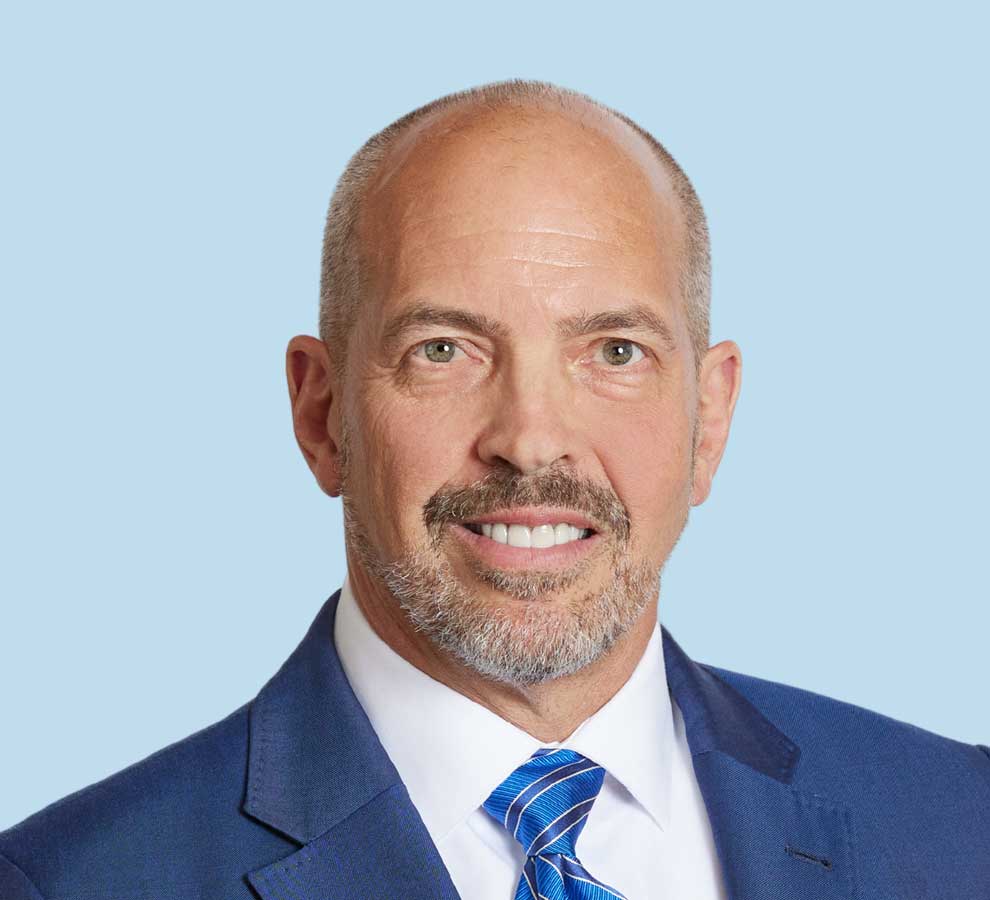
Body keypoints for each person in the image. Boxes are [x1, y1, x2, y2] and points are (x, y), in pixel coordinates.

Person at [1, 79, 987, 900]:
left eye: (614, 350)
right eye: (443, 349)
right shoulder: (73, 880)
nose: (530, 440)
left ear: (710, 418)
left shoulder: (958, 824)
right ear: (321, 413)